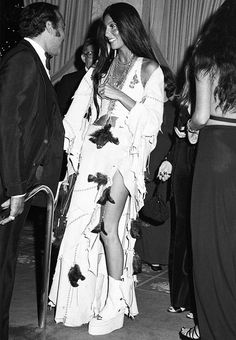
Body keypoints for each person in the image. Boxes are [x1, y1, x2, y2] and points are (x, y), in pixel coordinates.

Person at [49, 2, 164, 336]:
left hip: (124, 158)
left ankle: (114, 304)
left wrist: (120, 96)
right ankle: (85, 302)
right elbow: (78, 111)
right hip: (93, 154)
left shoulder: (148, 69)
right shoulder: (101, 65)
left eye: (114, 27)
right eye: (107, 28)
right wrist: (68, 144)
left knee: (108, 226)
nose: (108, 33)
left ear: (128, 27)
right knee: (84, 227)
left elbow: (152, 122)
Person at [0, 3, 65, 339]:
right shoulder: (23, 60)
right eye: (61, 28)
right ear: (49, 26)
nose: (64, 37)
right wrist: (14, 187)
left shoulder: (33, 61)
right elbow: (7, 126)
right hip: (8, 185)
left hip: (19, 182)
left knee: (6, 265)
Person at [178, 0, 236, 339]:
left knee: (211, 242)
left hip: (217, 151)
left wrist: (193, 129)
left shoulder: (207, 55)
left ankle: (213, 329)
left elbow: (200, 114)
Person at [134, 65, 176, 272]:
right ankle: (140, 254)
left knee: (157, 209)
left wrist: (168, 162)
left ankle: (158, 256)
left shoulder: (175, 110)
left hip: (163, 167)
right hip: (143, 162)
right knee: (140, 210)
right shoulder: (147, 106)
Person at [158, 105, 196, 318]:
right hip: (182, 169)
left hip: (204, 167)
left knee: (199, 238)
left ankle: (196, 301)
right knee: (180, 235)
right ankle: (180, 298)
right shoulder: (183, 105)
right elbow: (178, 140)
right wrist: (169, 160)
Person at [55, 37, 99, 117]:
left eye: (98, 54)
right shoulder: (68, 81)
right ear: (83, 58)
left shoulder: (106, 79)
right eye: (90, 54)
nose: (96, 59)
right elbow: (59, 113)